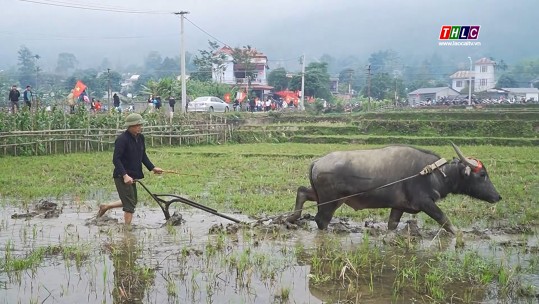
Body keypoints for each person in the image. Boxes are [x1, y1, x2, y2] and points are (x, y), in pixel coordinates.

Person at [97, 113, 163, 225]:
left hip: (133, 175)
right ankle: (127, 231)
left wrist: (152, 168)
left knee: (132, 201)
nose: (140, 127)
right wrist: (125, 175)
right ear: (131, 126)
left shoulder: (140, 138)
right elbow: (116, 159)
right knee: (130, 205)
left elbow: (142, 155)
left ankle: (106, 206)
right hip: (122, 176)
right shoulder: (122, 139)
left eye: (140, 125)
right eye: (138, 125)